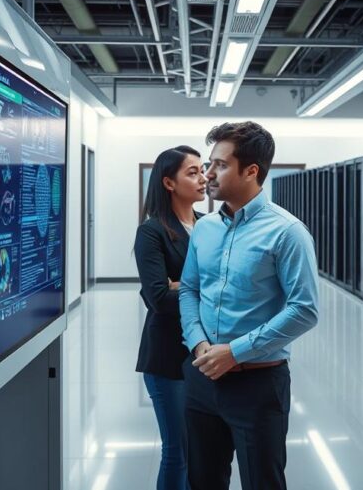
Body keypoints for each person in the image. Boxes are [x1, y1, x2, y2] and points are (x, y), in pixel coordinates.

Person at [178, 121, 319, 490]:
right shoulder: (205, 228)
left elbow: (305, 309)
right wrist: (199, 343)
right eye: (209, 164)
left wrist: (236, 352)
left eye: (219, 165)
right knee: (202, 480)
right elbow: (190, 289)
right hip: (202, 377)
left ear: (251, 171)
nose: (208, 173)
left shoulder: (287, 232)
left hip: (258, 385)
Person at [134, 145, 208, 490]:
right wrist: (203, 287)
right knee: (177, 451)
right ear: (168, 182)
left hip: (207, 353)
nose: (203, 177)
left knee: (201, 450)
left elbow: (232, 285)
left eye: (203, 169)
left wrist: (183, 285)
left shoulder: (210, 226)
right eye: (192, 172)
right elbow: (159, 298)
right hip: (167, 357)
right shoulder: (152, 231)